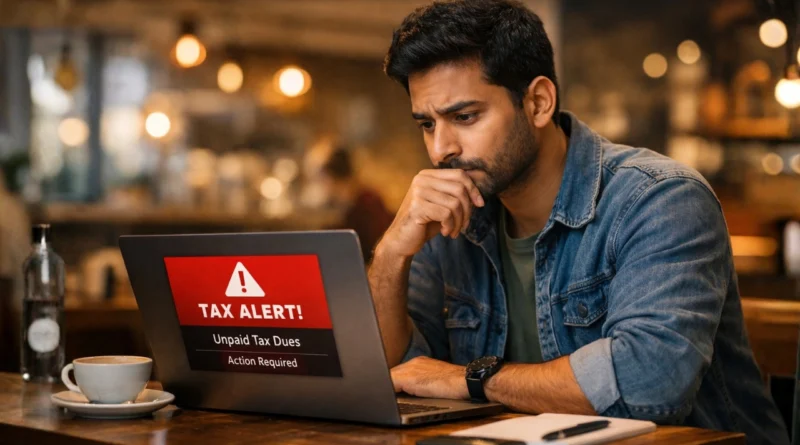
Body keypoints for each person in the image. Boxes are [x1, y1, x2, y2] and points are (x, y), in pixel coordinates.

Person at [368, 1, 789, 443]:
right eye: (426, 124)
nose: (440, 149)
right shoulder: (452, 213)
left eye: (464, 117)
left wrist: (471, 379)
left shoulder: (660, 198)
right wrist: (393, 252)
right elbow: (393, 373)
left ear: (538, 102)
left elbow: (649, 384)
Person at [321, 148, 394, 263]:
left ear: (333, 179)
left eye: (324, 181)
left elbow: (378, 244)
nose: (323, 186)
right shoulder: (339, 205)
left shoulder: (368, 202)